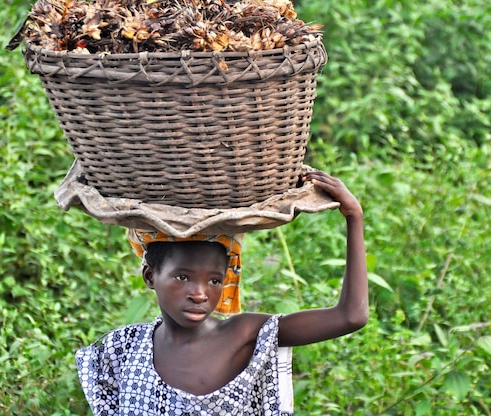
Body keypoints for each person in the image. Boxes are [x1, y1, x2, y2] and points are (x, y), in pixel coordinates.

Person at [76, 170, 368, 415]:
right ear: (150, 276)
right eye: (183, 277)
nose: (200, 294)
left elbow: (351, 317)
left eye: (215, 281)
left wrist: (353, 216)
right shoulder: (124, 350)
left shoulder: (243, 335)